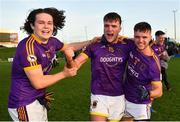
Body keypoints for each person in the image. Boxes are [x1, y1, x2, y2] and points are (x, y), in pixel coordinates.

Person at [8, 7, 97, 121]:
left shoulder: (52, 41)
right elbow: (38, 83)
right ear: (32, 25)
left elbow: (69, 47)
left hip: (38, 98)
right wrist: (64, 74)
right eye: (41, 23)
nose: (46, 26)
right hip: (24, 102)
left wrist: (90, 42)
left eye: (49, 23)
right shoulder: (28, 47)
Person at [70, 12, 135, 121]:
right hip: (98, 94)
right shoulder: (94, 45)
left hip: (119, 95)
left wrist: (125, 38)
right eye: (106, 25)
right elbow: (77, 62)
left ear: (120, 28)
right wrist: (70, 60)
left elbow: (146, 44)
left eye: (114, 26)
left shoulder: (127, 44)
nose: (110, 29)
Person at [123, 22, 163, 121]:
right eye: (137, 37)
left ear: (150, 37)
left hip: (140, 105)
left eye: (144, 37)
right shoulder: (133, 45)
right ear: (134, 37)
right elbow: (119, 37)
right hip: (124, 99)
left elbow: (159, 91)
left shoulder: (153, 63)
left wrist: (148, 94)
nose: (140, 40)